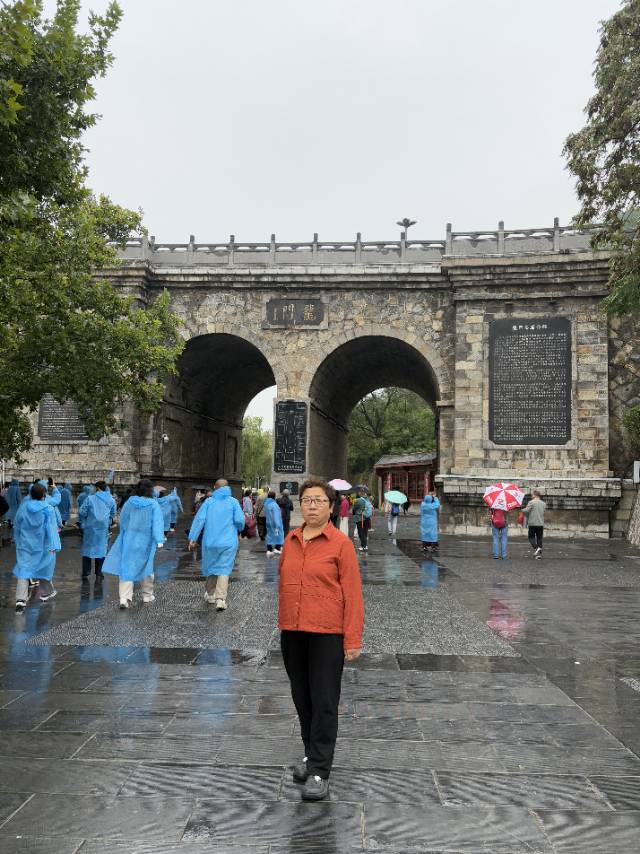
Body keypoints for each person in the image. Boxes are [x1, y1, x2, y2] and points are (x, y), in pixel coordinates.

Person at [279, 476, 364, 801]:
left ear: (331, 507)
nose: (312, 506)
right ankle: (310, 753)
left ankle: (319, 770)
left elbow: (352, 595)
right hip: (293, 631)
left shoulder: (341, 545)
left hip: (327, 634)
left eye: (319, 501)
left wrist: (352, 638)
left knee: (325, 701)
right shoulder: (291, 539)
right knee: (303, 699)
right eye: (307, 500)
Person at [103, 478, 164, 609]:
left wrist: (126, 532)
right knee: (146, 567)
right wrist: (159, 540)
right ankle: (147, 595)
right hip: (146, 541)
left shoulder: (130, 502)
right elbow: (157, 523)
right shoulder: (153, 504)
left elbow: (123, 520)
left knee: (126, 567)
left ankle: (124, 598)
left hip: (129, 539)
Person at [188, 478, 245, 610]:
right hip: (228, 542)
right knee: (224, 569)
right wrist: (239, 528)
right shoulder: (233, 502)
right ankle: (221, 599)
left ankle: (210, 594)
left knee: (211, 566)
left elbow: (199, 520)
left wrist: (193, 538)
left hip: (210, 541)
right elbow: (240, 521)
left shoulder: (209, 502)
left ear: (215, 487)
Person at [13, 482, 61, 612]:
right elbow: (51, 530)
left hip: (26, 545)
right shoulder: (48, 509)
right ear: (44, 495)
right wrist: (54, 546)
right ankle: (48, 591)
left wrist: (18, 540)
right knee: (43, 570)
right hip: (43, 545)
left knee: (24, 569)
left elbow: (17, 525)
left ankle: (20, 599)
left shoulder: (23, 508)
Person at [79, 481, 117, 580]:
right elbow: (113, 513)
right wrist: (107, 519)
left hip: (90, 527)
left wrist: (87, 518)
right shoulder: (111, 499)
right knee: (101, 548)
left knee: (88, 548)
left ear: (97, 488)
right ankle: (99, 572)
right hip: (103, 528)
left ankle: (86, 571)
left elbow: (82, 511)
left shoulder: (90, 498)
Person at [523, 489, 546, 559]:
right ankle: (538, 555)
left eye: (532, 495)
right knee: (539, 538)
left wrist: (521, 510)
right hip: (540, 523)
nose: (531, 496)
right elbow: (543, 512)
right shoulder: (543, 503)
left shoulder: (531, 502)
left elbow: (526, 510)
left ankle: (536, 548)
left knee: (531, 537)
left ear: (535, 495)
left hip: (532, 523)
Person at [265, 489, 284, 556]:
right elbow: (276, 516)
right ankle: (277, 548)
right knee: (279, 535)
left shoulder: (267, 504)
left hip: (269, 523)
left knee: (270, 535)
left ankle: (269, 549)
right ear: (274, 496)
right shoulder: (274, 505)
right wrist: (278, 525)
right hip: (275, 523)